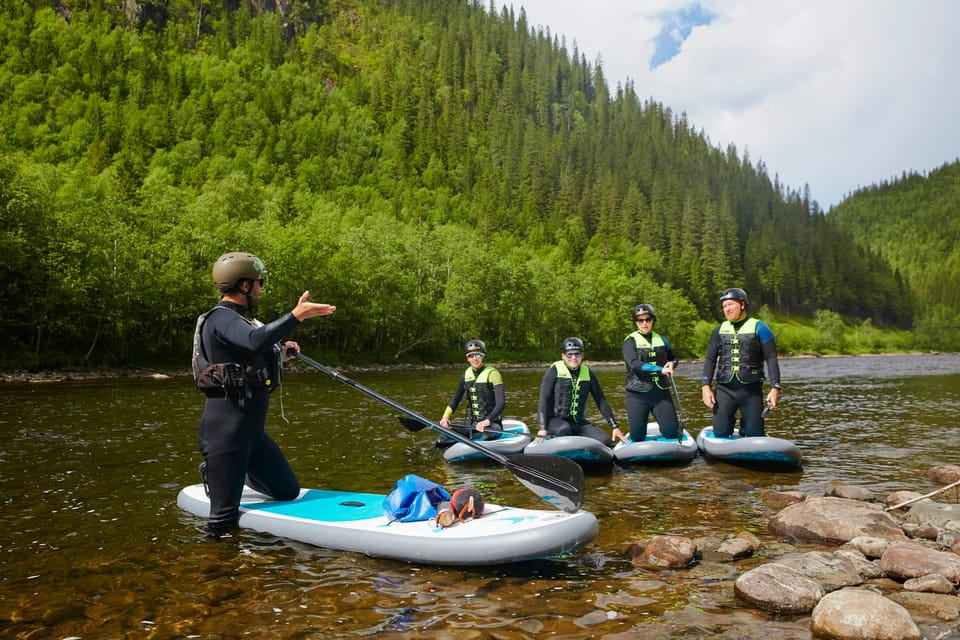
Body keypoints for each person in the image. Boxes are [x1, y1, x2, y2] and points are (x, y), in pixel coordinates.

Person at [192, 251, 336, 538]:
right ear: (244, 285)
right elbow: (254, 340)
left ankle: (232, 472)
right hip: (226, 436)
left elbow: (250, 354)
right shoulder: (220, 318)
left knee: (287, 490)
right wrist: (295, 316)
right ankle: (215, 576)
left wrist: (280, 353)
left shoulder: (241, 321)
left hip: (252, 435)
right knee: (222, 524)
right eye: (259, 283)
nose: (260, 289)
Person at [700, 287, 781, 437]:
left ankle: (748, 425)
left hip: (751, 391)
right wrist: (705, 387)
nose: (727, 309)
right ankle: (727, 421)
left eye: (730, 304)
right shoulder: (718, 331)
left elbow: (771, 358)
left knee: (754, 434)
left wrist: (774, 388)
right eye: (724, 306)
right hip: (724, 390)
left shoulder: (760, 328)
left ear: (742, 305)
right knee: (721, 432)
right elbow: (710, 359)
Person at [535, 337, 621, 445]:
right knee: (564, 430)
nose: (573, 357)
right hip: (555, 421)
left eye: (577, 354)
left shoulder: (588, 373)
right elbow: (544, 399)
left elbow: (601, 401)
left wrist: (614, 427)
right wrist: (542, 428)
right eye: (569, 354)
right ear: (563, 356)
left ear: (582, 355)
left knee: (606, 441)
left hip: (578, 422)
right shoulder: (554, 370)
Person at [622, 304, 681, 442]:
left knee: (672, 433)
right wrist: (660, 369)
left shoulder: (662, 339)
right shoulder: (630, 341)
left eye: (647, 319)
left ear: (653, 320)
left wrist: (672, 363)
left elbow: (674, 358)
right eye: (640, 320)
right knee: (637, 437)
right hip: (637, 395)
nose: (644, 323)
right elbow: (634, 364)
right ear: (636, 322)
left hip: (660, 393)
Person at [436, 339, 505, 448]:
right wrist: (445, 417)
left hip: (491, 424)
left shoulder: (493, 374)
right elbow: (455, 401)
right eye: (470, 355)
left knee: (487, 436)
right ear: (467, 358)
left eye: (478, 355)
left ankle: (474, 439)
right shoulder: (465, 377)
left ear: (483, 356)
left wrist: (488, 420)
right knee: (442, 439)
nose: (474, 358)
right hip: (472, 423)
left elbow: (501, 403)